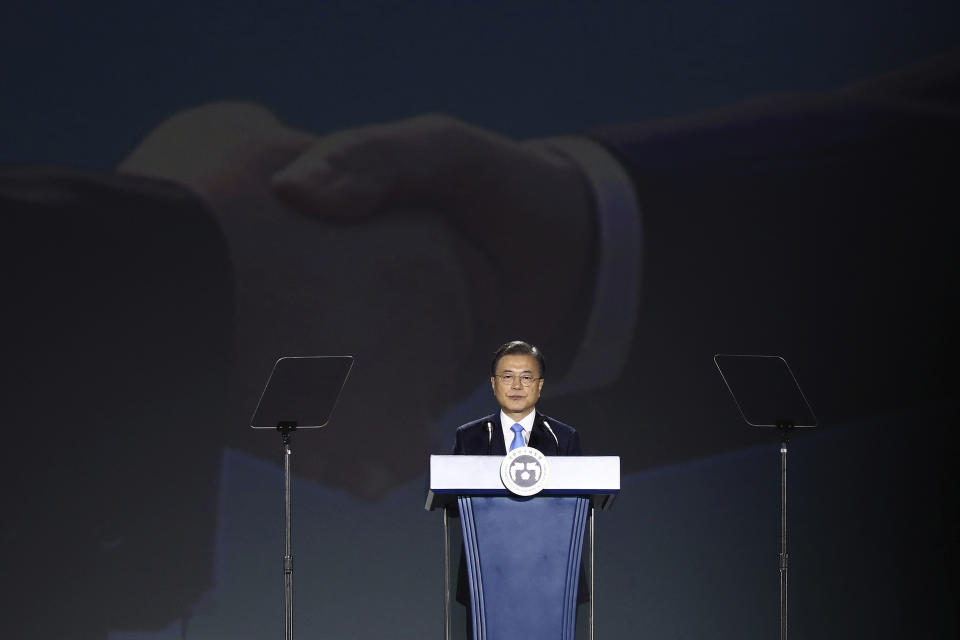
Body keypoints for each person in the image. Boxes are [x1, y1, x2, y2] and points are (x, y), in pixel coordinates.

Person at [453, 341, 582, 456]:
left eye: (526, 378)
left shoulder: (562, 437)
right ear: (493, 384)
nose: (516, 386)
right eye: (507, 377)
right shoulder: (468, 436)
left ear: (539, 385)